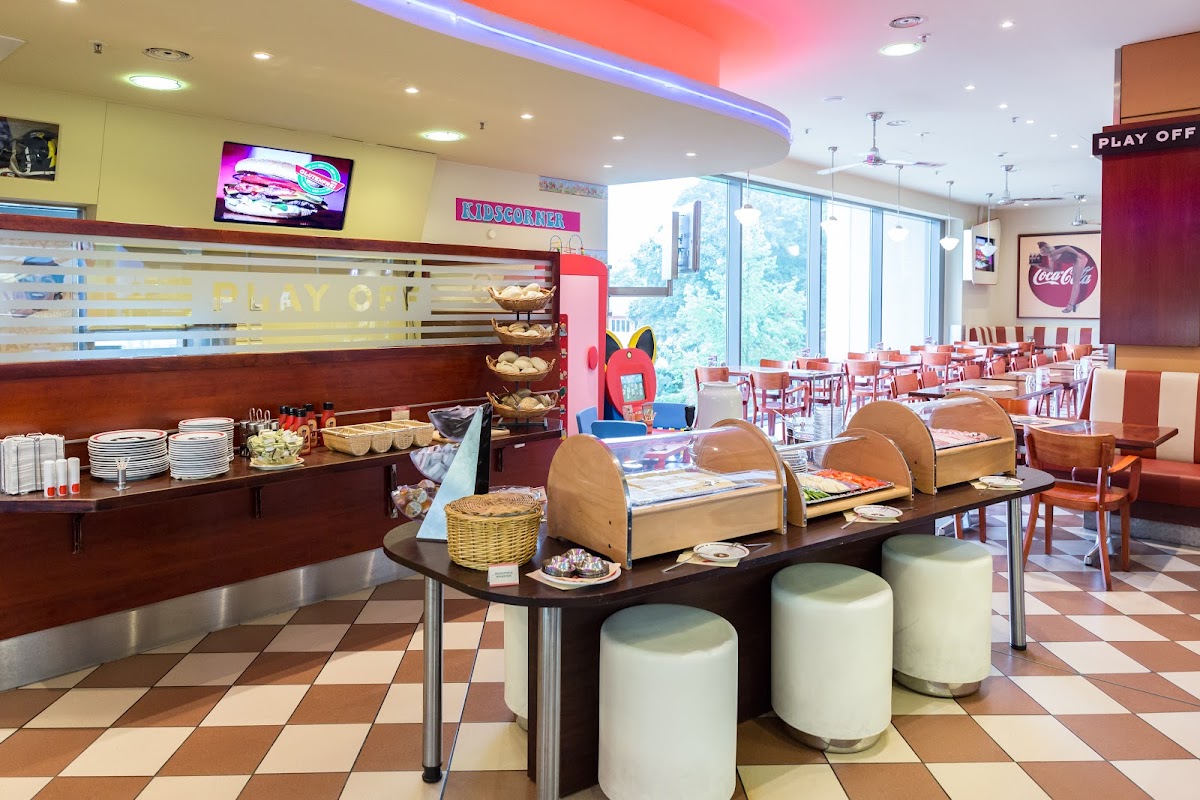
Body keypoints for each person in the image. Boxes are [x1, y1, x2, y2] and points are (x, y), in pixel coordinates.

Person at [1037, 241, 1093, 313]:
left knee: (1075, 283)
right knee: (1075, 283)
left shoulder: (1054, 252)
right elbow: (1051, 270)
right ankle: (1072, 305)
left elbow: (1067, 248)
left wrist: (1078, 254)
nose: (1042, 251)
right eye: (1041, 250)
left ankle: (1070, 305)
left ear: (1047, 248)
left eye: (1043, 249)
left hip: (1080, 259)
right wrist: (1038, 267)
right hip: (1076, 261)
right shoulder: (1050, 258)